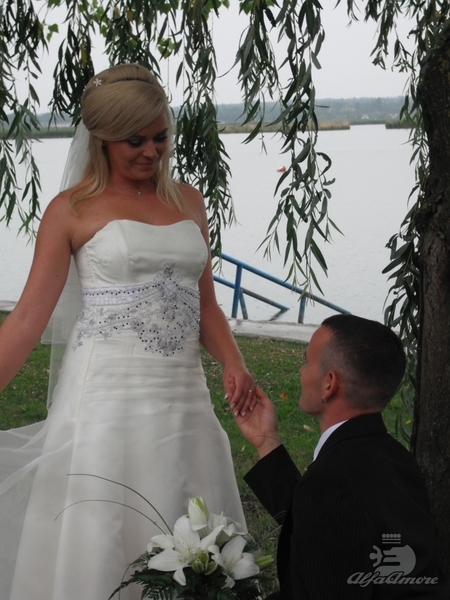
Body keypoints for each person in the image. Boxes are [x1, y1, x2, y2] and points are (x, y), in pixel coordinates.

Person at [0, 63, 256, 600]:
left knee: (189, 519)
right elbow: (26, 320)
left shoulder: (189, 201)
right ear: (102, 140)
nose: (151, 152)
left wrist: (234, 361)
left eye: (160, 137)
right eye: (134, 141)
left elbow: (205, 306)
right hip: (105, 401)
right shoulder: (70, 210)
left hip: (184, 398)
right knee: (102, 530)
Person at [234, 314, 449, 599]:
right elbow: (324, 525)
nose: (301, 370)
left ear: (329, 383)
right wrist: (266, 441)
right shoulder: (395, 457)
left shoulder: (333, 480)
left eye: (307, 362)